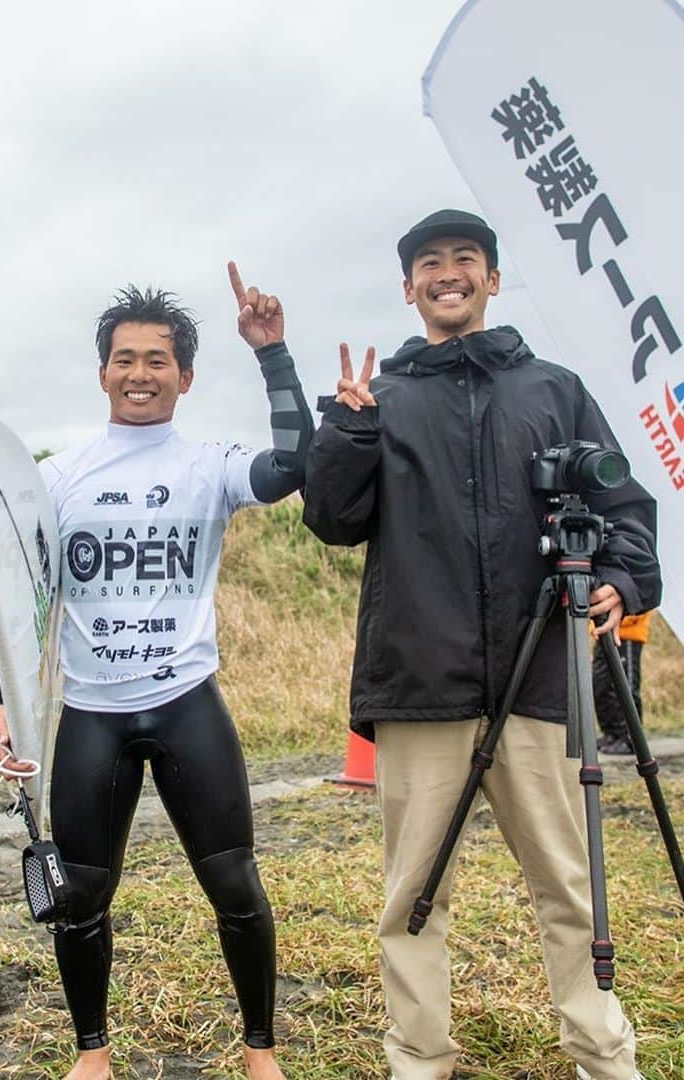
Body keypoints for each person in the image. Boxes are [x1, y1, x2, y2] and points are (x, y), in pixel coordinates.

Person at [300, 209, 660, 1080]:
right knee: (413, 899)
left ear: (493, 279)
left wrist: (625, 579)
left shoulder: (555, 388)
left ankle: (602, 1053)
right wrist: (347, 434)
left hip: (542, 679)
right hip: (421, 682)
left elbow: (625, 511)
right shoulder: (380, 400)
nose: (448, 273)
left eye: (466, 259)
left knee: (569, 888)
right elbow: (332, 520)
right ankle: (419, 1059)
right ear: (409, 287)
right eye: (430, 262)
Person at [0, 268, 313, 1080]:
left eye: (157, 360)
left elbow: (295, 463)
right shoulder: (54, 482)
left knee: (235, 882)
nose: (139, 373)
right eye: (124, 359)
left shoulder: (210, 467)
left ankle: (259, 1049)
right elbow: (6, 598)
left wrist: (273, 356)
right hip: (92, 714)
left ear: (186, 377)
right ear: (102, 373)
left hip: (188, 701)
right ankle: (92, 1053)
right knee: (81, 896)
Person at [593, 611, 652, 755]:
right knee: (600, 685)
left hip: (627, 635)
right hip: (603, 633)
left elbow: (638, 599)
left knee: (626, 688)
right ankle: (613, 733)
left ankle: (631, 740)